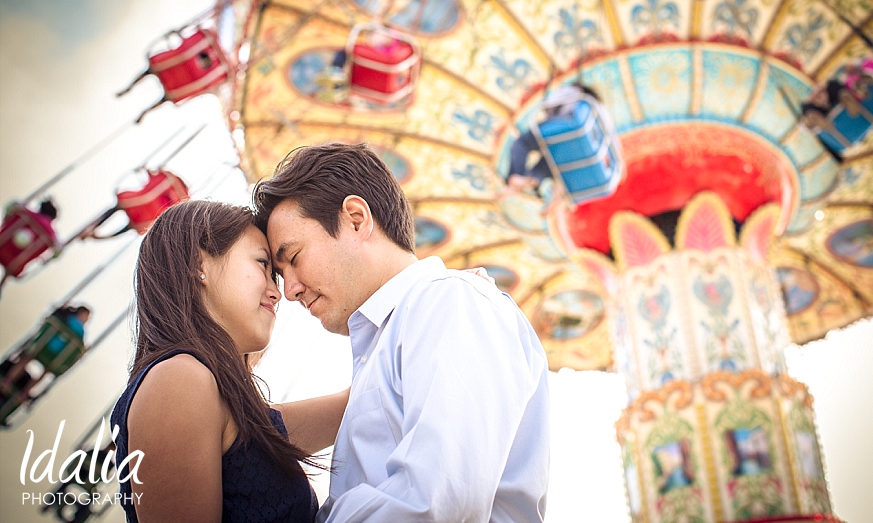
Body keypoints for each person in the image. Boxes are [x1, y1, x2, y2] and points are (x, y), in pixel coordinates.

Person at [253, 143, 551, 522]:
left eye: (293, 258)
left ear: (356, 219)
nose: (290, 290)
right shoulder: (390, 338)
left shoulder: (448, 302)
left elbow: (435, 501)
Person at [109, 200, 350, 522]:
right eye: (262, 264)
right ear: (199, 264)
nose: (276, 293)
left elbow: (363, 401)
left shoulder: (226, 406)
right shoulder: (179, 379)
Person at [501, 83, 603, 198]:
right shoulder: (595, 112)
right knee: (552, 162)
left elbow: (550, 104)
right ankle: (535, 178)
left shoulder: (573, 91)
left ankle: (516, 174)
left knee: (522, 143)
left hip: (559, 128)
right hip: (576, 145)